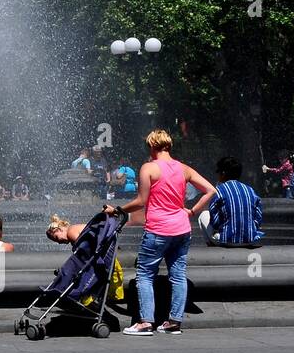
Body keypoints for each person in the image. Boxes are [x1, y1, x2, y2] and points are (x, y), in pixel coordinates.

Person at [113, 129, 216, 337]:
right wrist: (192, 211)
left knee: (145, 274)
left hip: (158, 229)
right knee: (178, 276)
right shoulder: (183, 168)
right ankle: (174, 322)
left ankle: (145, 322)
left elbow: (141, 201)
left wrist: (118, 210)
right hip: (182, 229)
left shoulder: (149, 168)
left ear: (152, 146)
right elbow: (211, 190)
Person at [200, 157, 265, 247]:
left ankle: (212, 246)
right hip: (250, 240)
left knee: (203, 214)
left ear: (223, 173)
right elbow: (258, 217)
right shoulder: (250, 190)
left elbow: (215, 222)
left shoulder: (218, 191)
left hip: (227, 240)